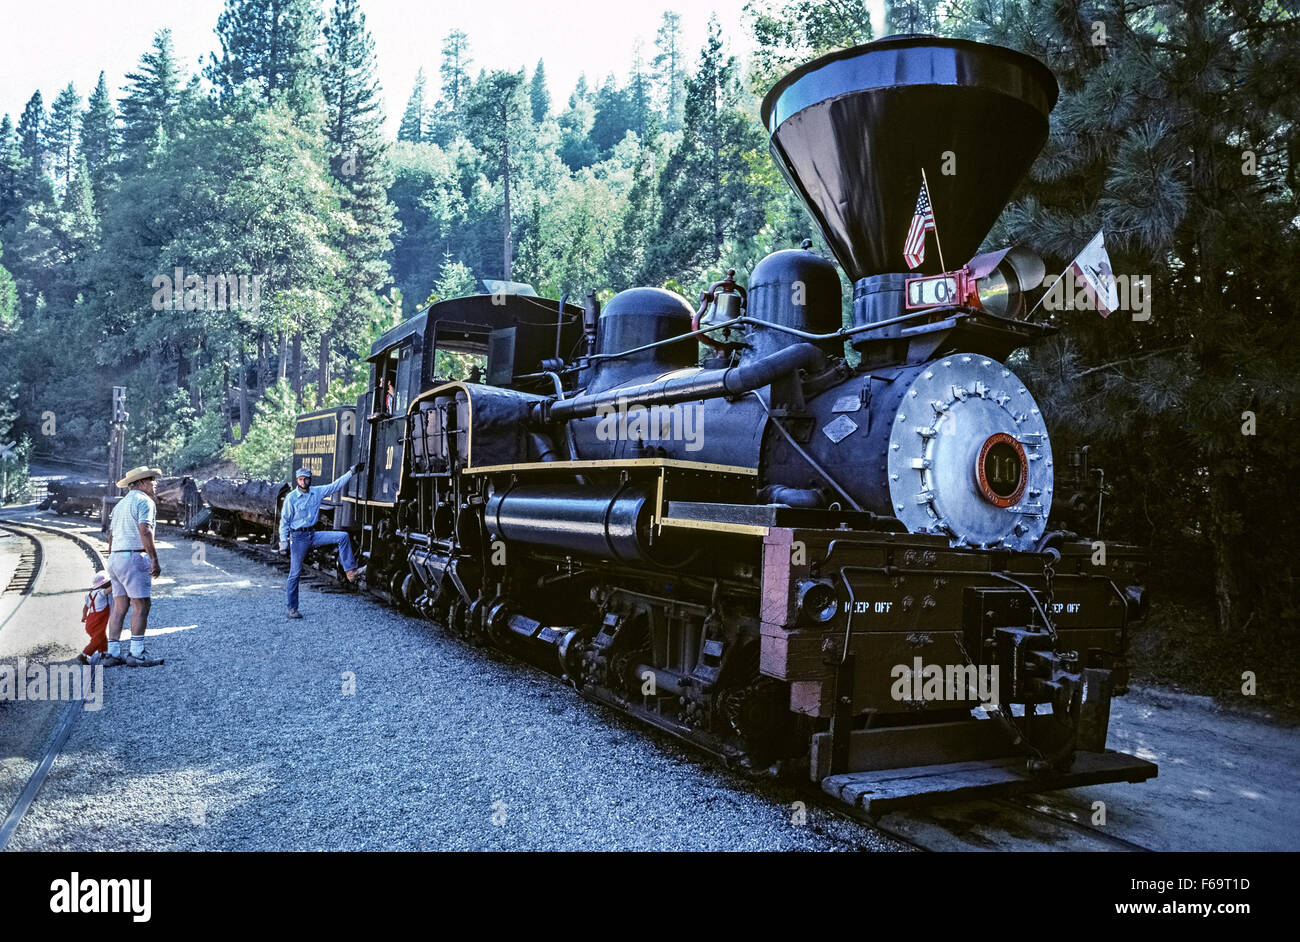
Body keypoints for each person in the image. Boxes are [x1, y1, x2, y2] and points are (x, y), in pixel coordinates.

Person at [279, 461, 366, 619]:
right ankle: (292, 608)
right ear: (297, 480)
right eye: (300, 479)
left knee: (342, 536)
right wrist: (283, 542)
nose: (303, 482)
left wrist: (351, 472)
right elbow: (284, 521)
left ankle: (350, 571)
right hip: (297, 538)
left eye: (306, 479)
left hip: (312, 534)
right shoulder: (291, 498)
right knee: (295, 574)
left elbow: (335, 485)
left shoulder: (317, 492)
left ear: (310, 480)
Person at [103, 465, 165, 668]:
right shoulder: (144, 501)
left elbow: (110, 537)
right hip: (133, 556)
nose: (155, 484)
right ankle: (137, 653)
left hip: (115, 557)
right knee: (142, 605)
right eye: (151, 480)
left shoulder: (120, 505)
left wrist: (112, 561)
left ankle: (112, 653)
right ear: (140, 483)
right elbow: (145, 530)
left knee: (120, 606)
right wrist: (154, 559)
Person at [76, 571, 112, 666]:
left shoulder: (90, 595)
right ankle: (84, 654)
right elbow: (110, 590)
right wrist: (118, 582)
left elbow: (86, 607)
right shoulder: (101, 593)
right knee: (97, 640)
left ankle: (103, 653)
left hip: (90, 622)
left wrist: (84, 616)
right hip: (97, 622)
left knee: (102, 637)